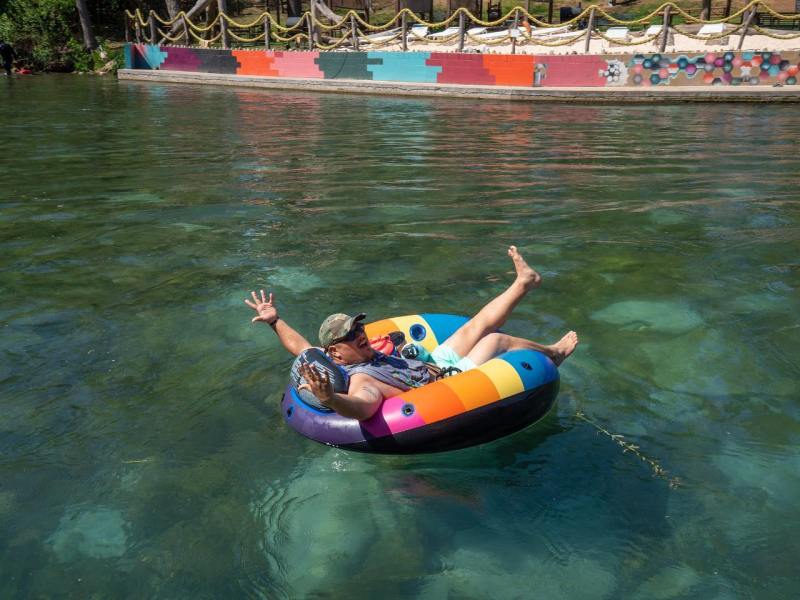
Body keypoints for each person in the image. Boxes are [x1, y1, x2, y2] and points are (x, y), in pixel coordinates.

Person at [246, 246, 578, 421]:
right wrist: (331, 399)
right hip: (446, 385)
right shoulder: (362, 379)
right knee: (494, 340)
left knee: (475, 325)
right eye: (350, 334)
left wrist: (275, 321)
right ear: (336, 353)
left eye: (358, 326)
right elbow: (363, 408)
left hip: (434, 364)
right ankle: (555, 353)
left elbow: (302, 347)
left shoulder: (358, 352)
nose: (360, 332)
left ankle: (524, 283)